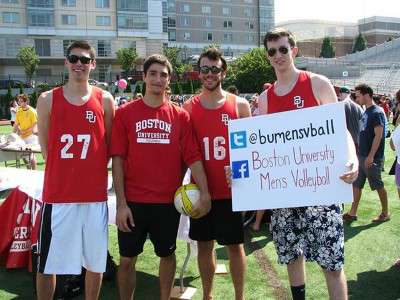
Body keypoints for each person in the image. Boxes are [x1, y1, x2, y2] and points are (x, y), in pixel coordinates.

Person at [258, 28, 358, 300]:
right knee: (291, 256)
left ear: (294, 50)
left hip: (322, 190)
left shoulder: (317, 83)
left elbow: (341, 131)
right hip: (285, 194)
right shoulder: (265, 99)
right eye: (271, 51)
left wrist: (353, 158)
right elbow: (263, 149)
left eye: (282, 49)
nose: (277, 55)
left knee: (332, 262)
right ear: (267, 56)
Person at [111, 54, 211, 300]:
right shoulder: (125, 114)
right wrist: (121, 203)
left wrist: (206, 192)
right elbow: (118, 161)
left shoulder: (180, 116)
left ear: (169, 80)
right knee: (126, 260)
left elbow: (194, 157)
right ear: (144, 77)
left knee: (167, 255)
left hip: (167, 203)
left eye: (163, 75)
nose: (158, 79)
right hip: (133, 202)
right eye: (153, 73)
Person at [36, 40, 115, 300]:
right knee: (48, 264)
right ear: (66, 62)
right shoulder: (47, 100)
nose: (78, 63)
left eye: (84, 59)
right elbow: (47, 150)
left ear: (93, 64)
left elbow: (108, 147)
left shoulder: (105, 100)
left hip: (94, 197)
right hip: (59, 196)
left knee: (94, 263)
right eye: (73, 58)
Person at [183, 47, 251, 300]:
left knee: (235, 246)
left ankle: (239, 296)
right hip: (201, 191)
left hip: (232, 191)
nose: (209, 74)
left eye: (214, 69)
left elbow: (251, 149)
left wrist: (241, 173)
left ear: (223, 72)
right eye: (204, 69)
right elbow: (187, 152)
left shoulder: (240, 105)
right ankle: (207, 295)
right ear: (198, 73)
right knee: (204, 245)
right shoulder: (188, 108)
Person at [343, 84, 390, 223]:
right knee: (357, 184)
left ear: (366, 95)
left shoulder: (377, 112)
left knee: (378, 185)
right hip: (362, 156)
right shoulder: (366, 111)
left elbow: (379, 135)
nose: (356, 98)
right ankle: (352, 213)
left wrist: (370, 156)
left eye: (358, 95)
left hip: (371, 157)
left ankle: (385, 213)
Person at [13, 94, 38, 169]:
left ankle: (34, 173)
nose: (19, 103)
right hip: (22, 137)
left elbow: (35, 125)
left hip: (31, 137)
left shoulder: (32, 111)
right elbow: (16, 125)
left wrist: (25, 131)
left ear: (26, 102)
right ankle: (28, 170)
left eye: (21, 101)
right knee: (23, 155)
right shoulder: (19, 111)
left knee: (31, 156)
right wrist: (12, 135)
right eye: (19, 101)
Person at [338, 86, 363, 151]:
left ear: (340, 94)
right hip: (356, 141)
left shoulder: (338, 107)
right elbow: (363, 126)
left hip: (344, 142)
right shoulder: (359, 107)